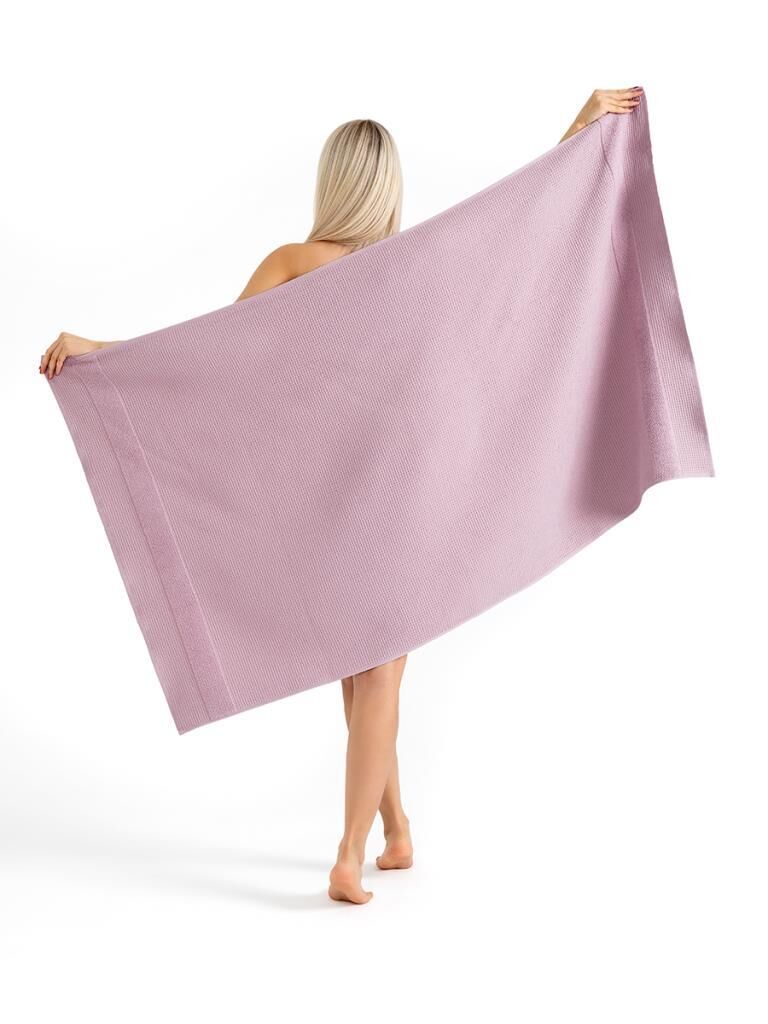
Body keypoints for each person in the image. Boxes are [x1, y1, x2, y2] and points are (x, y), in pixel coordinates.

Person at [39, 86, 644, 904]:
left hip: (341, 512)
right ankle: (355, 851)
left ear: (333, 181)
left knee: (367, 674)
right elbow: (517, 246)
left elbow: (201, 363)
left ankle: (388, 835)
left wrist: (99, 352)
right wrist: (578, 132)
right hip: (395, 507)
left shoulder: (300, 263)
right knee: (377, 674)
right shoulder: (408, 266)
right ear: (387, 186)